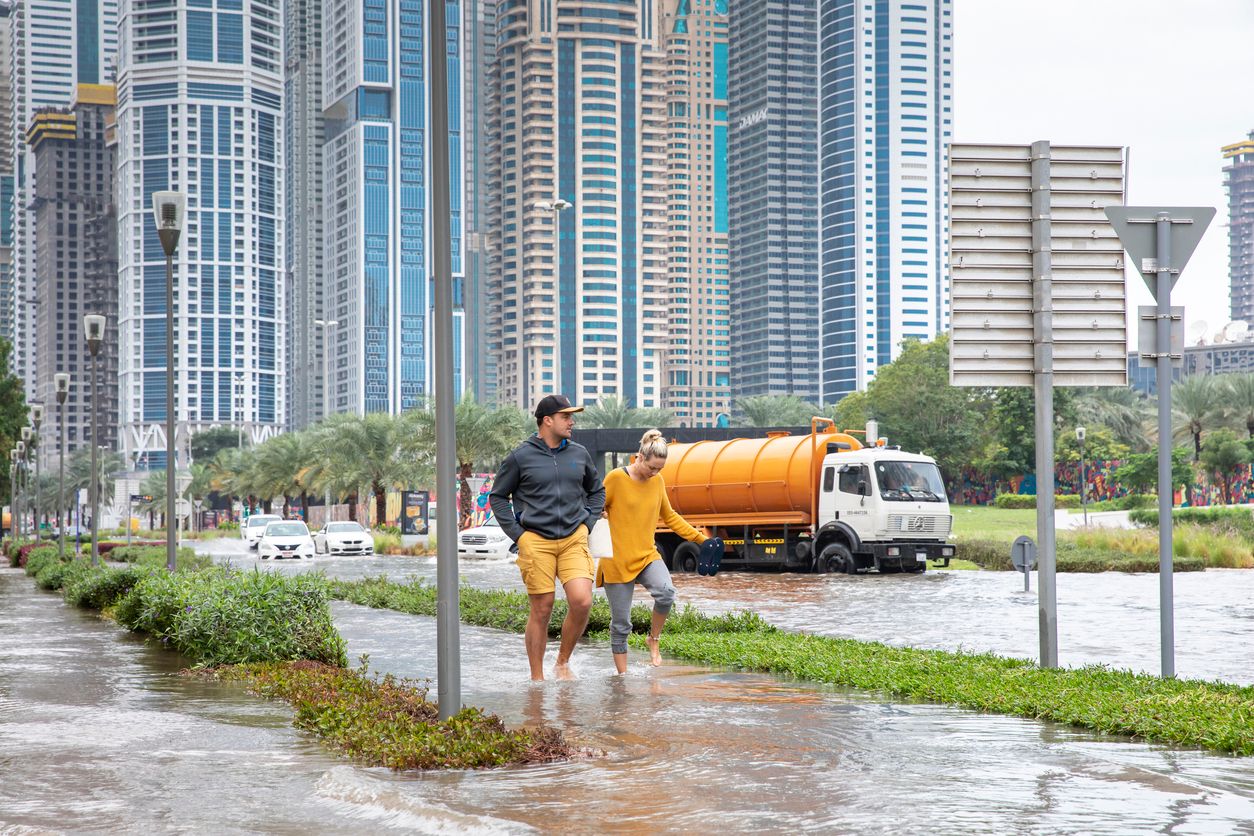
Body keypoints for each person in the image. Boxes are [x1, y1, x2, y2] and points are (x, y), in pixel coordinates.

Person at [490, 394, 605, 681]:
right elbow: (498, 497)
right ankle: (537, 678)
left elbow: (597, 491)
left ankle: (562, 662)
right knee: (542, 608)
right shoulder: (520, 456)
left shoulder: (579, 454)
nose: (572, 421)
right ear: (547, 420)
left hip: (572, 538)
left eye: (571, 416)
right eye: (566, 417)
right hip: (535, 540)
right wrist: (519, 535)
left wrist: (587, 524)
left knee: (582, 601)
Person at [599, 429, 707, 674]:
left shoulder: (657, 481)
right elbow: (595, 506)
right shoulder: (616, 478)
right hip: (616, 559)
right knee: (621, 624)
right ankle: (622, 678)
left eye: (660, 469)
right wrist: (600, 513)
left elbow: (670, 517)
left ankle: (653, 639)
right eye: (652, 468)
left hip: (647, 555)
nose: (655, 473)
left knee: (666, 592)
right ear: (640, 457)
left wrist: (701, 539)